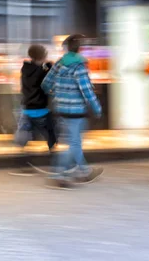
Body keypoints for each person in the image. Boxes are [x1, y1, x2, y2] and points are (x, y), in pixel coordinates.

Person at [41, 34, 103, 189]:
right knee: (74, 143)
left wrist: (58, 94)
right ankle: (59, 172)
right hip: (76, 110)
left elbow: (46, 83)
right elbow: (86, 90)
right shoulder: (79, 66)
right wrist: (96, 107)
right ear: (79, 48)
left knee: (74, 141)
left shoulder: (59, 64)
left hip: (61, 109)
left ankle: (83, 170)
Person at [9, 44, 57, 177]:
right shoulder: (42, 72)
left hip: (26, 108)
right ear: (42, 56)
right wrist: (50, 66)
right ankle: (57, 163)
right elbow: (49, 78)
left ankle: (22, 164)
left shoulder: (25, 69)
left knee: (23, 136)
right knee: (51, 134)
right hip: (40, 109)